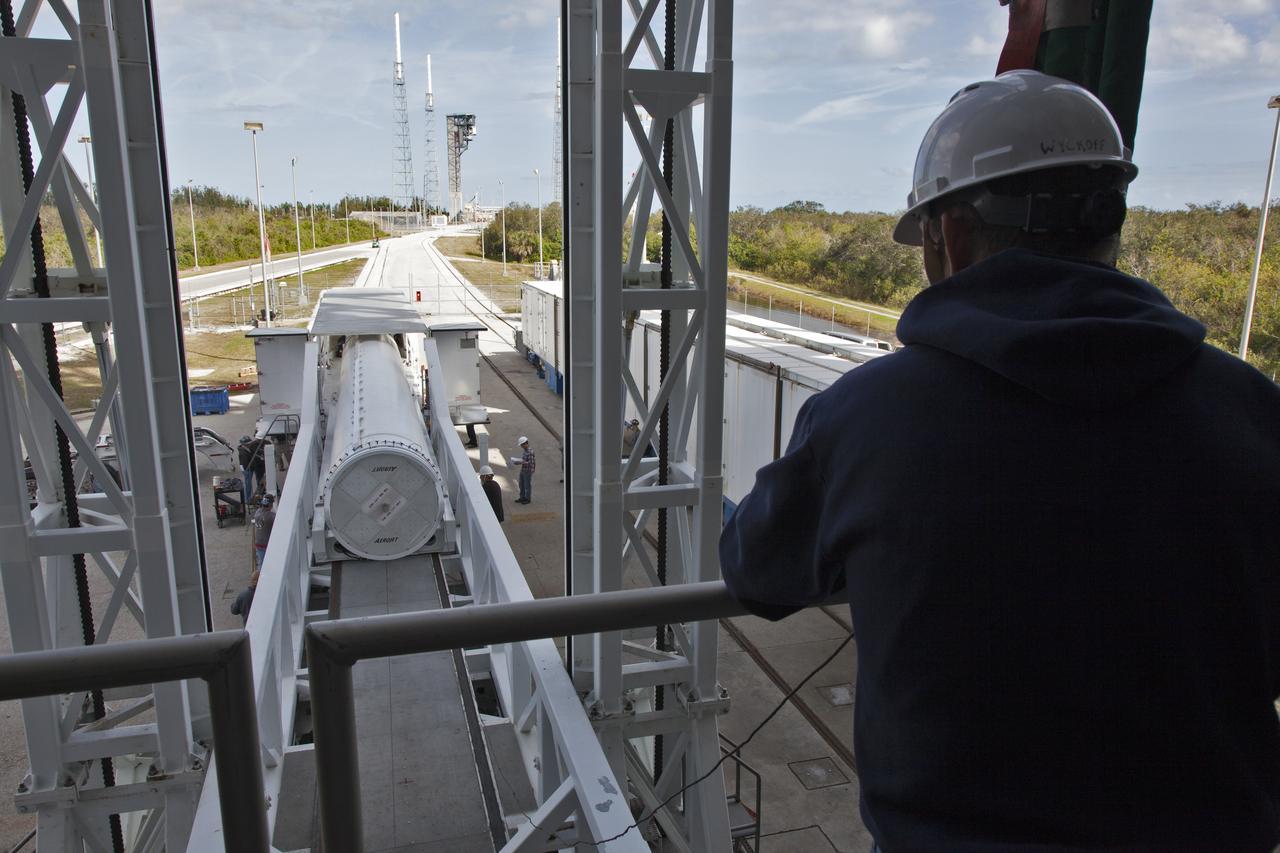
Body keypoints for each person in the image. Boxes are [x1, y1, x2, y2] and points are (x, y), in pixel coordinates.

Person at [719, 70, 1280, 851]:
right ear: (1108, 223)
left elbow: (754, 571)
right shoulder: (1250, 408)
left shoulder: (868, 415)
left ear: (949, 236)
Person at [252, 493, 275, 569]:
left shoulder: (257, 512)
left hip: (258, 543)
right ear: (270, 505)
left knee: (261, 563)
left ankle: (258, 576)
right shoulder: (271, 516)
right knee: (265, 564)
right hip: (266, 544)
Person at [509, 436, 535, 504]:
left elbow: (530, 463)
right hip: (523, 470)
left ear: (525, 443)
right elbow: (525, 460)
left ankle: (527, 499)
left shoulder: (530, 452)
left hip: (528, 471)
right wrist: (519, 462)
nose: (521, 446)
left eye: (521, 445)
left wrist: (521, 462)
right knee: (521, 484)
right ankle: (522, 497)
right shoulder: (525, 451)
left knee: (527, 485)